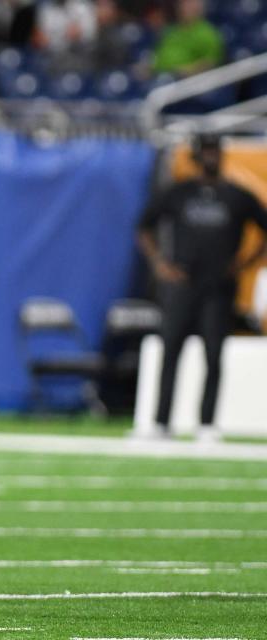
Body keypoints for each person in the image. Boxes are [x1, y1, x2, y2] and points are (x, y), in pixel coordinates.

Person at [137, 133, 267, 441]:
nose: (212, 156)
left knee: (213, 353)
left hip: (218, 287)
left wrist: (244, 264)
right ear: (197, 156)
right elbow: (145, 226)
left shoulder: (237, 195)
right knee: (171, 351)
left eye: (215, 150)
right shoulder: (179, 193)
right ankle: (160, 422)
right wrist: (160, 264)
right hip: (183, 284)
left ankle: (207, 423)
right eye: (206, 150)